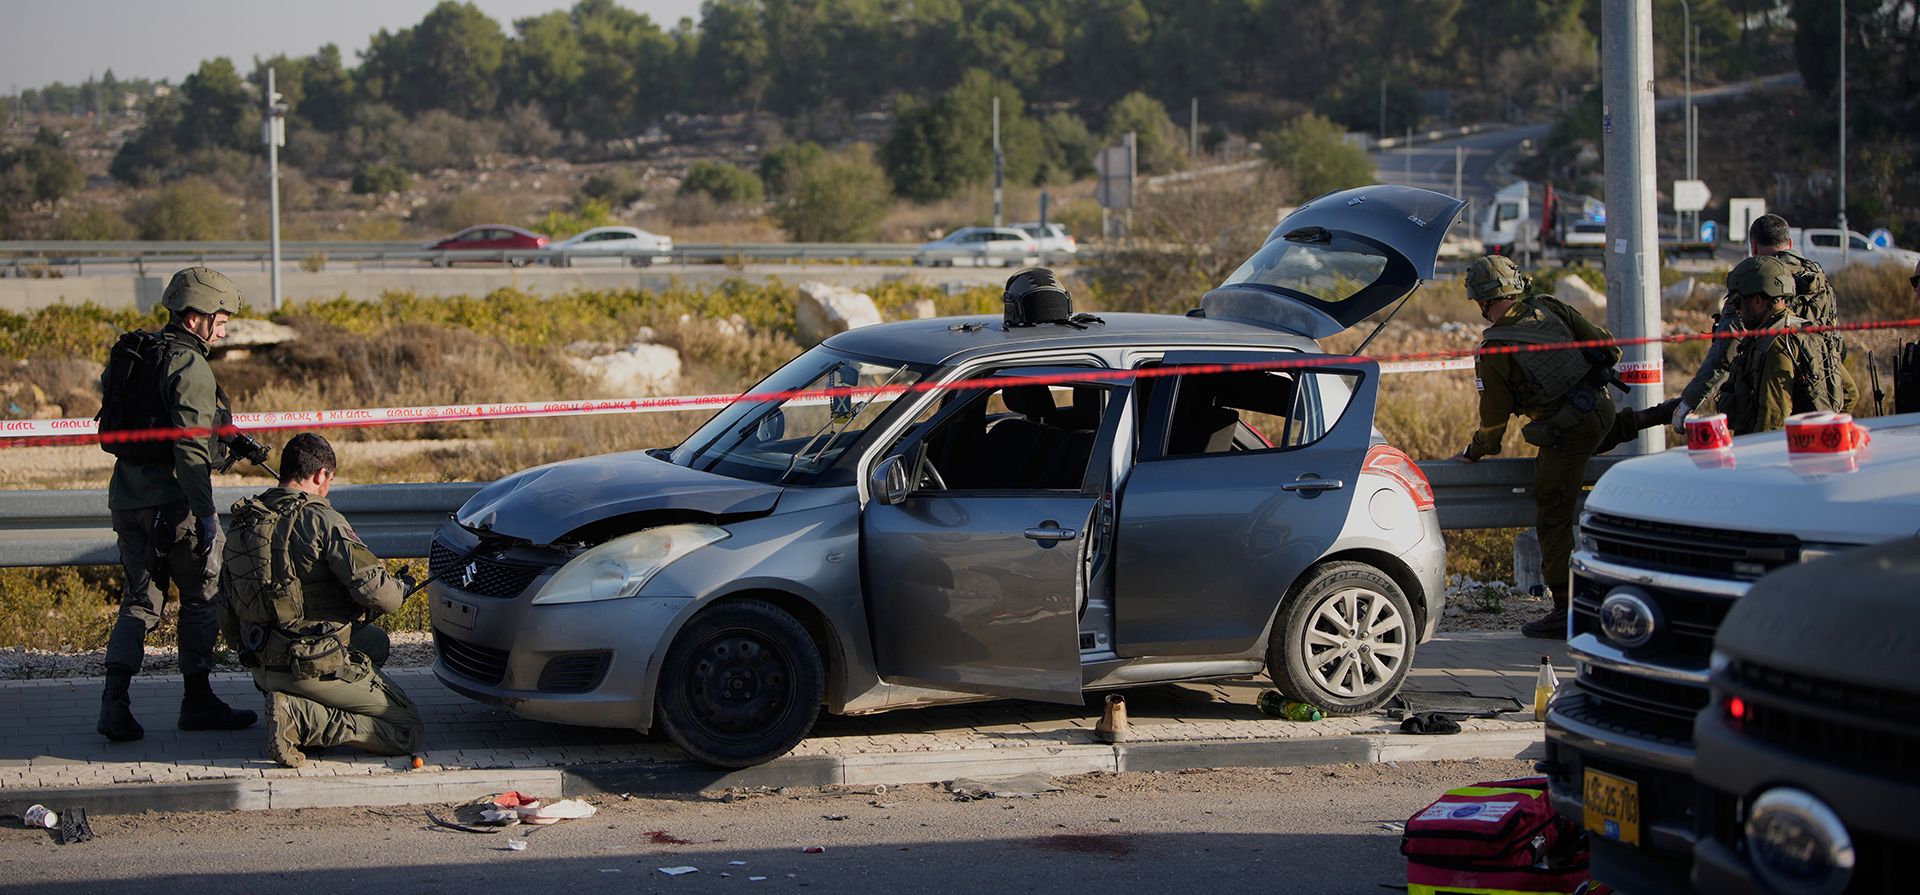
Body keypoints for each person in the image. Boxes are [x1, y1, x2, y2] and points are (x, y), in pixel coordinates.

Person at [1448, 256, 1674, 639]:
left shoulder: (1496, 351)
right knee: (1597, 433)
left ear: (1484, 301)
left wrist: (1475, 451)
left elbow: (1494, 422)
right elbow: (1606, 346)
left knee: (1552, 514)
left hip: (1569, 432)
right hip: (1600, 408)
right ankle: (1652, 415)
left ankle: (1564, 610)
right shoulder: (1549, 306)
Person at [95, 267, 258, 742]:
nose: (224, 328)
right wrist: (205, 512)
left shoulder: (135, 353)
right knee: (202, 598)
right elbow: (189, 449)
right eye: (219, 319)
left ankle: (114, 704)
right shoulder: (189, 366)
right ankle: (198, 700)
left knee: (139, 603)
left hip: (126, 499)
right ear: (194, 319)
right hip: (177, 505)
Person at [218, 433, 422, 768]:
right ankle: (299, 717)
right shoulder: (321, 520)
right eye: (330, 478)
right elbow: (383, 598)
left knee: (374, 643)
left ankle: (293, 703)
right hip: (308, 663)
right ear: (319, 475)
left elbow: (224, 604)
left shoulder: (246, 519)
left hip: (261, 663)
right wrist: (401, 587)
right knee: (406, 729)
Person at [1674, 213, 1852, 428]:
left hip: (1768, 390)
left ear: (1754, 246)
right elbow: (1836, 346)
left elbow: (1725, 352)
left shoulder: (1752, 280)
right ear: (1790, 244)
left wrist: (1689, 401)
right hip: (1820, 396)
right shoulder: (1817, 279)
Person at [1712, 256, 1851, 434]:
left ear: (1757, 301)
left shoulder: (1775, 346)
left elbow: (1772, 424)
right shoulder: (1806, 330)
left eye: (1738, 303)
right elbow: (1849, 393)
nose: (1737, 311)